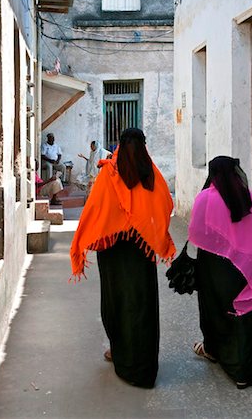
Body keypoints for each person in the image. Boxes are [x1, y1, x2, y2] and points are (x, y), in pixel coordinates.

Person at [70, 128, 176, 388]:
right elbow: (165, 206)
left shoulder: (109, 173)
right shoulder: (151, 175)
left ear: (118, 145)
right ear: (144, 146)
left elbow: (93, 211)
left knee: (116, 303)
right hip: (141, 253)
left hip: (113, 252)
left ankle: (119, 353)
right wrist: (151, 231)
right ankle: (144, 364)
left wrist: (88, 237)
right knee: (141, 306)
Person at [188, 156, 252, 389]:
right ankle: (245, 370)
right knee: (245, 314)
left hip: (215, 267)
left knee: (216, 309)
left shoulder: (206, 198)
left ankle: (214, 350)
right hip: (245, 268)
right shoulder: (248, 197)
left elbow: (196, 231)